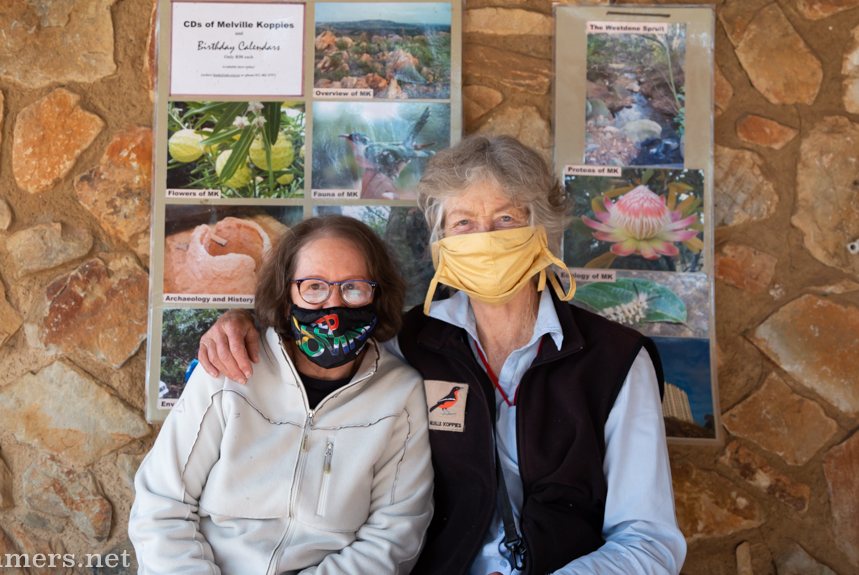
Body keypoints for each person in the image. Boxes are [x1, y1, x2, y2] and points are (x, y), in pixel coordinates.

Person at [198, 135, 686, 574]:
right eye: (464, 222)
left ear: (544, 230)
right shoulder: (404, 342)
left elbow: (648, 541)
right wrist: (241, 321)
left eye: (506, 219)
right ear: (440, 240)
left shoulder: (616, 361)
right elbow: (317, 332)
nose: (484, 239)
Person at [130, 215, 434, 575]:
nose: (332, 307)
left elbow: (394, 537)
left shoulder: (400, 394)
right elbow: (161, 506)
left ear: (377, 294)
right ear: (287, 296)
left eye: (353, 287)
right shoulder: (232, 369)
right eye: (314, 287)